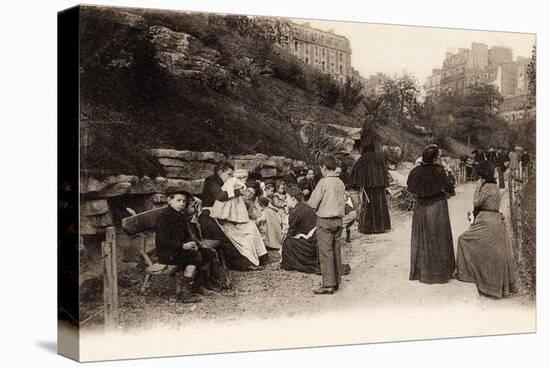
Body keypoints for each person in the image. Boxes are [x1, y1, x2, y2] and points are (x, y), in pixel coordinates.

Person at [456, 160, 516, 298]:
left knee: (463, 240)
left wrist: (477, 186)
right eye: (494, 170)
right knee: (485, 250)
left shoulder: (487, 186)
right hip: (492, 220)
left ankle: (470, 275)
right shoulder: (493, 185)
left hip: (488, 220)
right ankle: (483, 279)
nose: (496, 172)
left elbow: (476, 202)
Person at [199, 162, 268, 271]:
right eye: (229, 174)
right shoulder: (211, 181)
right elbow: (220, 196)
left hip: (222, 215)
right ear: (220, 172)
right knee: (226, 237)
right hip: (208, 217)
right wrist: (239, 191)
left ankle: (260, 256)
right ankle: (243, 264)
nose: (231, 177)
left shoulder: (227, 182)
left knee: (248, 228)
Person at [407, 145, 455, 284]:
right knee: (438, 237)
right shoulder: (439, 170)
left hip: (421, 207)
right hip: (437, 207)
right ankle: (439, 272)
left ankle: (420, 271)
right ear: (435, 158)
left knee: (421, 237)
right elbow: (449, 187)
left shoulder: (415, 171)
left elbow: (410, 187)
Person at [155, 189, 213, 303]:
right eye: (178, 200)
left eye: (184, 201)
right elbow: (162, 240)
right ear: (169, 200)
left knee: (207, 253)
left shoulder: (181, 215)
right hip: (167, 252)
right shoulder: (164, 217)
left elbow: (186, 235)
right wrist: (183, 246)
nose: (182, 203)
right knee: (194, 256)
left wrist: (193, 244)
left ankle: (197, 285)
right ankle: (184, 293)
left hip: (179, 249)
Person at [308, 155, 346, 295]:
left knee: (325, 252)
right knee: (336, 250)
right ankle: (336, 281)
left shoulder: (323, 182)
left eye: (321, 168)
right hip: (338, 220)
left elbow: (313, 202)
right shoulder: (340, 182)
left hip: (325, 220)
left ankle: (328, 284)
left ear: (324, 168)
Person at [350, 138, 391, 234]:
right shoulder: (379, 157)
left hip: (369, 187)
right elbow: (385, 172)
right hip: (380, 187)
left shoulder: (363, 158)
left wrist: (357, 184)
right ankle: (381, 227)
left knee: (368, 206)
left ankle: (369, 228)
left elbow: (356, 171)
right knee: (381, 205)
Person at [281, 185, 319, 273]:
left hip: (311, 242)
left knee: (288, 242)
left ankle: (293, 264)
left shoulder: (296, 211)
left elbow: (291, 232)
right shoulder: (305, 206)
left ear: (293, 198)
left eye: (287, 198)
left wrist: (286, 232)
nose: (285, 200)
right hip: (316, 238)